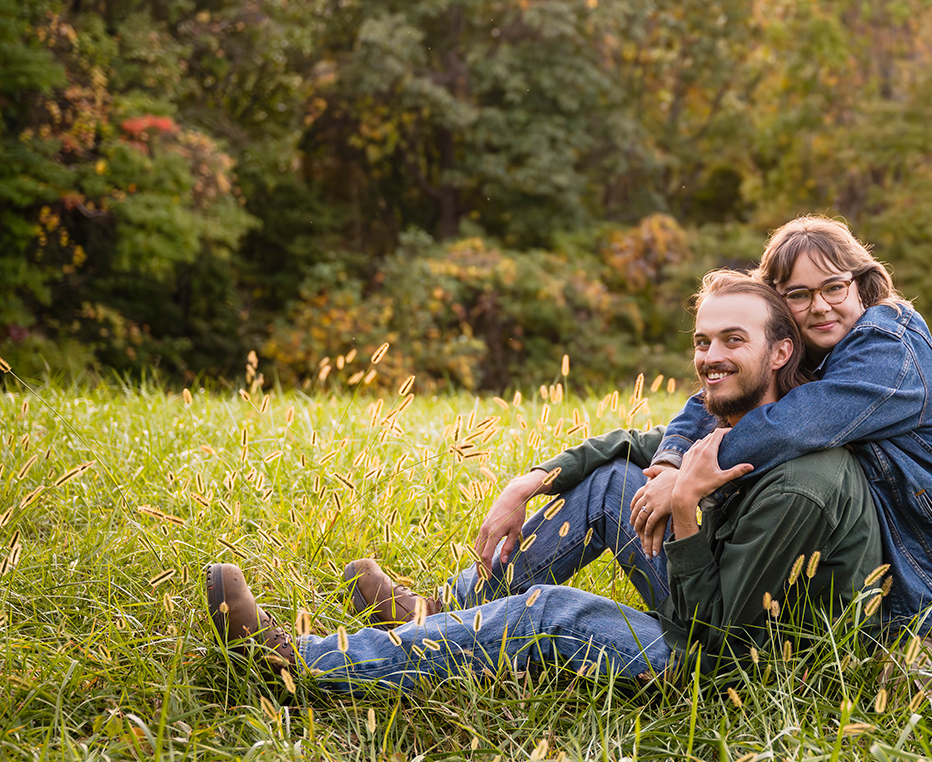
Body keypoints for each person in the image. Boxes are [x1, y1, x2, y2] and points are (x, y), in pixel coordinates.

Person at [205, 271, 882, 688]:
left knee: (554, 614)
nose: (711, 357)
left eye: (734, 341)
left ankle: (303, 661)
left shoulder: (803, 482)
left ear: (781, 351)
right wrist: (529, 482)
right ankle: (438, 613)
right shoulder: (744, 417)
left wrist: (683, 511)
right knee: (614, 482)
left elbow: (719, 636)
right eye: (704, 341)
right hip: (718, 607)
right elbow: (633, 444)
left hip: (739, 665)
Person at [633, 216, 932, 689]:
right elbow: (707, 399)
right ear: (780, 304)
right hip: (929, 547)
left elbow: (793, 425)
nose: (819, 306)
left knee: (893, 693)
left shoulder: (888, 346)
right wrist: (671, 459)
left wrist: (692, 477)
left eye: (833, 287)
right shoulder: (816, 349)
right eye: (798, 294)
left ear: (861, 284)